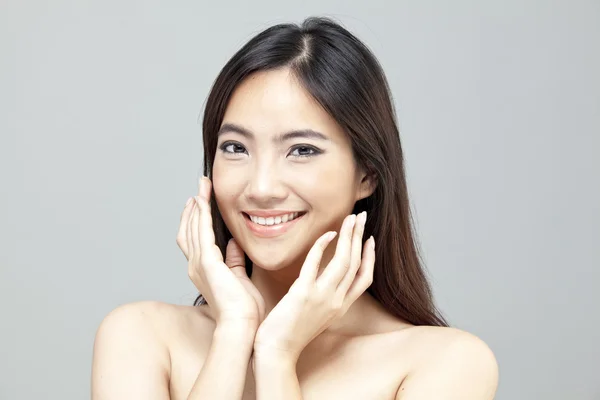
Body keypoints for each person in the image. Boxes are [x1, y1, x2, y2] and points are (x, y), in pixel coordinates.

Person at [91, 16, 498, 400]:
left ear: (367, 175)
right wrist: (233, 334)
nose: (262, 187)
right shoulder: (140, 336)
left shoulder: (444, 364)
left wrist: (277, 355)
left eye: (302, 150)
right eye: (235, 148)